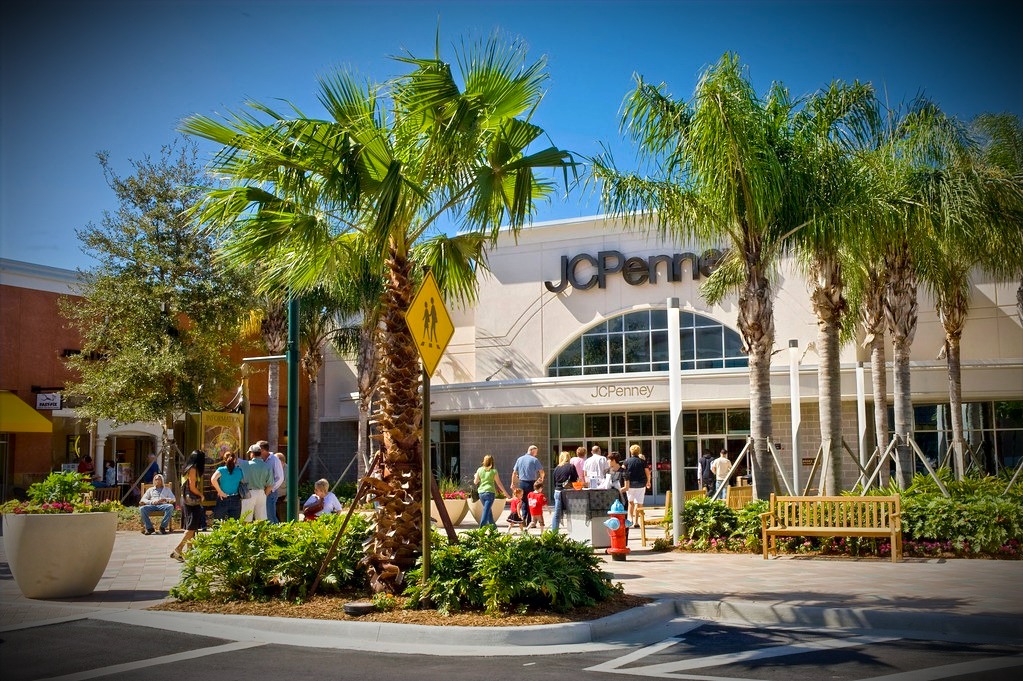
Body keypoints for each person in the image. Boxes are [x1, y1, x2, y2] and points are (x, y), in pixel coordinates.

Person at [172, 450, 205, 562]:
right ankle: (178, 549)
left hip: (186, 500)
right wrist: (201, 495)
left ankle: (190, 553)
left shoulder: (186, 468)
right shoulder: (193, 469)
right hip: (191, 501)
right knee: (191, 527)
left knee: (191, 526)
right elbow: (192, 487)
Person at [510, 445, 544, 526]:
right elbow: (542, 471)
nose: (536, 453)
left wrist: (512, 483)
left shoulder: (519, 459)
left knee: (524, 501)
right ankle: (530, 521)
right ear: (532, 450)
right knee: (531, 501)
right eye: (536, 451)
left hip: (522, 483)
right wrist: (541, 478)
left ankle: (524, 518)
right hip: (531, 483)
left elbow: (514, 472)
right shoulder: (534, 460)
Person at [473, 454, 509, 527]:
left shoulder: (479, 470)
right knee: (486, 511)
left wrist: (475, 476)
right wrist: (505, 493)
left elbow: (475, 482)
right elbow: (498, 483)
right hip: (490, 493)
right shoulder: (494, 471)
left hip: (481, 493)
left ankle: (494, 528)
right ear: (492, 461)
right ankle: (481, 528)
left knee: (488, 511)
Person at [241, 444, 273, 522]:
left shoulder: (245, 465)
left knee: (246, 519)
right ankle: (262, 534)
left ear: (252, 453)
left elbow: (240, 479)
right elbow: (270, 485)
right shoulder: (267, 466)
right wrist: (265, 494)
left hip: (248, 492)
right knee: (261, 519)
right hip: (262, 492)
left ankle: (245, 534)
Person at [210, 450, 244, 520]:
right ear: (235, 460)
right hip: (235, 498)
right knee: (234, 523)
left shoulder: (221, 470)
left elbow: (213, 479)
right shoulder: (239, 470)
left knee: (218, 522)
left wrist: (220, 491)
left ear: (224, 460)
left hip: (223, 497)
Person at [550, 451, 579, 532]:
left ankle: (554, 533)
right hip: (567, 492)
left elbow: (554, 482)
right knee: (572, 512)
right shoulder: (571, 466)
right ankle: (574, 531)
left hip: (557, 491)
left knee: (556, 514)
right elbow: (575, 480)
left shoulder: (556, 468)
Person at [623, 444, 651, 526]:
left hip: (630, 484)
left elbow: (622, 471)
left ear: (630, 451)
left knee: (630, 503)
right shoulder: (642, 462)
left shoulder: (627, 461)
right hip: (641, 484)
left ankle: (630, 519)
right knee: (639, 503)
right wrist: (648, 482)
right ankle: (636, 522)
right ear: (639, 451)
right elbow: (647, 473)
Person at [259, 441, 285, 523]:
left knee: (270, 515)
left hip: (271, 493)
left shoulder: (274, 460)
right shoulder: (261, 460)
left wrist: (271, 489)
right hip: (263, 491)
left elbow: (280, 477)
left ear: (263, 450)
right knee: (266, 515)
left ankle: (276, 533)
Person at [274, 452, 288, 521]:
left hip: (282, 498)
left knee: (282, 518)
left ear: (282, 462)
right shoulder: (273, 467)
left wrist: (287, 498)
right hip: (273, 496)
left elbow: (290, 486)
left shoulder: (288, 470)